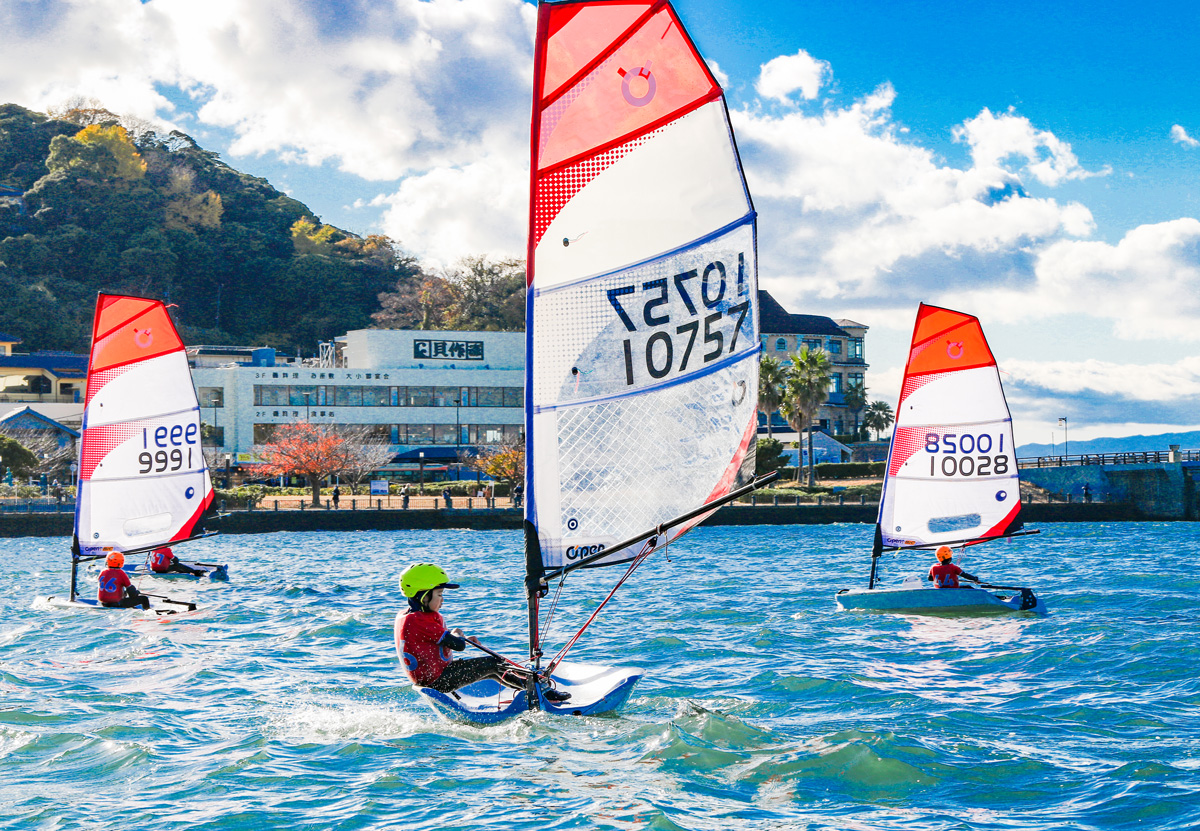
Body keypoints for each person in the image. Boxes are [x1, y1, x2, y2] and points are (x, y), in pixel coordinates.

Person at [394, 563, 570, 702]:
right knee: (493, 664)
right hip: (440, 681)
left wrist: (457, 636)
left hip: (434, 678)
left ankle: (533, 687)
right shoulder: (418, 619)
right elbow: (459, 646)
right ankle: (540, 691)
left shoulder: (407, 616)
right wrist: (457, 635)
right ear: (423, 596)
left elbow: (433, 641)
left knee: (494, 670)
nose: (443, 599)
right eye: (439, 594)